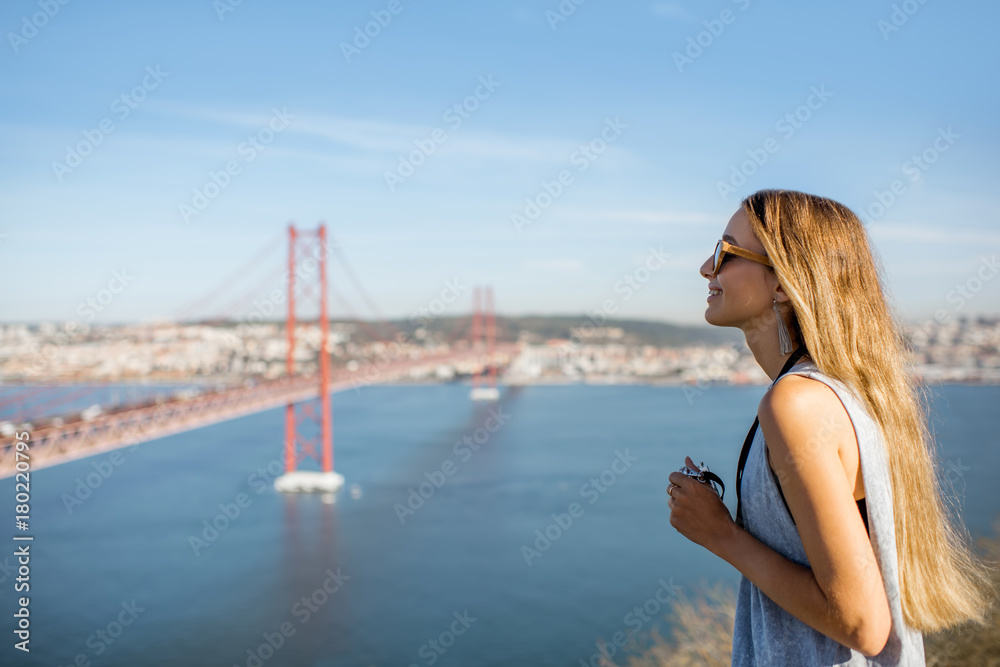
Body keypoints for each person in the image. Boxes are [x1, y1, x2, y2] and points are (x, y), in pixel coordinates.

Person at [665, 189, 993, 665]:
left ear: (783, 283)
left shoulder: (795, 403)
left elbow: (862, 624)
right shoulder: (839, 391)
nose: (705, 269)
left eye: (724, 252)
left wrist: (721, 535)